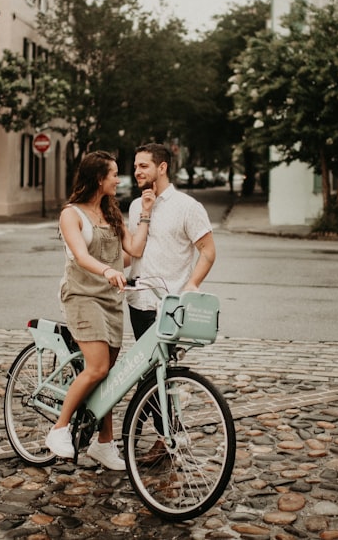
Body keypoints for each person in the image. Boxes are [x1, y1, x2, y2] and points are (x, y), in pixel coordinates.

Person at [45, 151, 155, 470]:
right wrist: (107, 271)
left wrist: (146, 214)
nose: (118, 180)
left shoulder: (111, 212)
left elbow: (132, 251)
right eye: (114, 174)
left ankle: (103, 444)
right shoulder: (72, 214)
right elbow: (80, 255)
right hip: (82, 296)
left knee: (109, 377)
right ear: (98, 178)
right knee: (97, 368)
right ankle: (59, 429)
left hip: (110, 300)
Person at [127, 143, 216, 339]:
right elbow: (134, 251)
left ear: (162, 168)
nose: (137, 172)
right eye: (135, 167)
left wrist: (192, 285)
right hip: (138, 301)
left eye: (143, 166)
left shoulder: (188, 207)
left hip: (168, 303)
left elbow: (208, 251)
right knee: (146, 366)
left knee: (162, 366)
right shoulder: (136, 206)